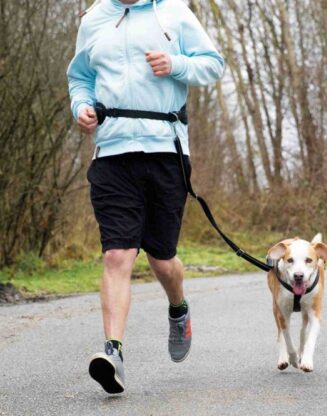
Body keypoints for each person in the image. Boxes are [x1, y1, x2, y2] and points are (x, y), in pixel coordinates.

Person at [67, 0, 224, 394]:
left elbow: (213, 63)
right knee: (118, 253)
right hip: (113, 154)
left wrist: (176, 65)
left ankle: (178, 307)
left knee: (162, 257)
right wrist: (81, 106)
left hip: (165, 149)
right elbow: (80, 78)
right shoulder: (94, 18)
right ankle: (113, 353)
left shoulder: (174, 13)